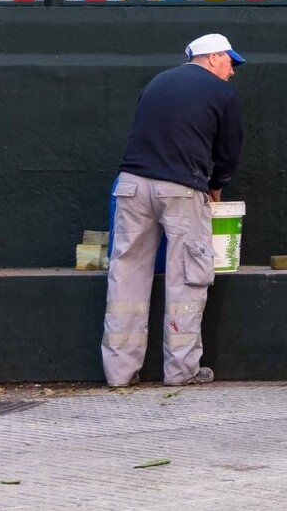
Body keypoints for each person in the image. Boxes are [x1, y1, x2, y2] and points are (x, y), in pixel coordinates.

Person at [102, 33, 245, 388]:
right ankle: (181, 371)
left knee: (127, 273)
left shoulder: (157, 83)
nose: (232, 71)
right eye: (230, 61)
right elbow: (228, 153)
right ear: (212, 58)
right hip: (181, 190)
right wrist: (216, 186)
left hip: (131, 185)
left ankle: (119, 373)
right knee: (187, 275)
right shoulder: (222, 93)